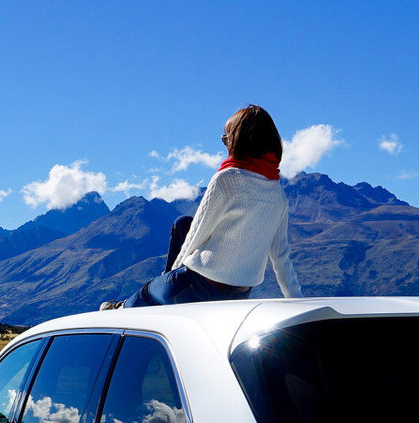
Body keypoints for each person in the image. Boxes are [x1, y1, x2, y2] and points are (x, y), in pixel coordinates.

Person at [103, 104, 302, 309]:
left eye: (227, 138)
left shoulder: (226, 179)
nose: (225, 144)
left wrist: (172, 278)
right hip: (239, 293)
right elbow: (281, 255)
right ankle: (164, 283)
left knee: (146, 293)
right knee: (183, 224)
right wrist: (296, 300)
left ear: (239, 141)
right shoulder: (278, 194)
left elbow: (197, 234)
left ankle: (119, 308)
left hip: (197, 285)